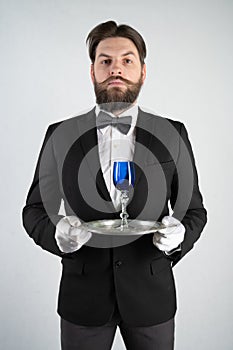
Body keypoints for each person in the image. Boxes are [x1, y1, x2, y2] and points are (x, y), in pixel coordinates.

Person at [22, 20, 207, 350]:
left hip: (152, 298)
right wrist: (58, 236)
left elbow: (194, 211)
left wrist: (179, 238)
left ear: (143, 72)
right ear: (92, 71)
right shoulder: (59, 135)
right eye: (105, 61)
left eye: (127, 60)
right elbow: (34, 210)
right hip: (83, 299)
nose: (115, 69)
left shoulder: (173, 134)